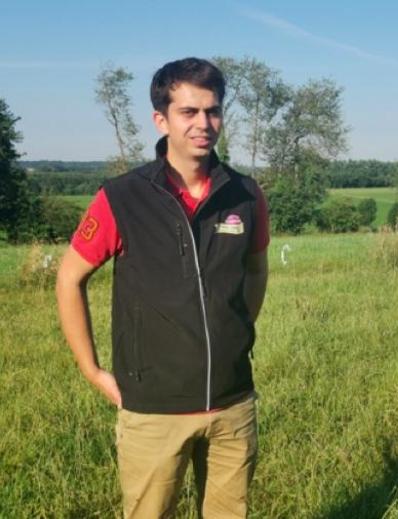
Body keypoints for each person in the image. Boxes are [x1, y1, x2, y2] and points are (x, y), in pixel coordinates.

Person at [56, 57, 269, 518]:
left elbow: (255, 270)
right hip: (154, 410)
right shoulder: (122, 197)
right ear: (162, 119)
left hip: (232, 405)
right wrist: (92, 370)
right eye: (188, 112)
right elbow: (69, 278)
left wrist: (237, 330)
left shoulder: (246, 195)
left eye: (212, 111)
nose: (203, 124)